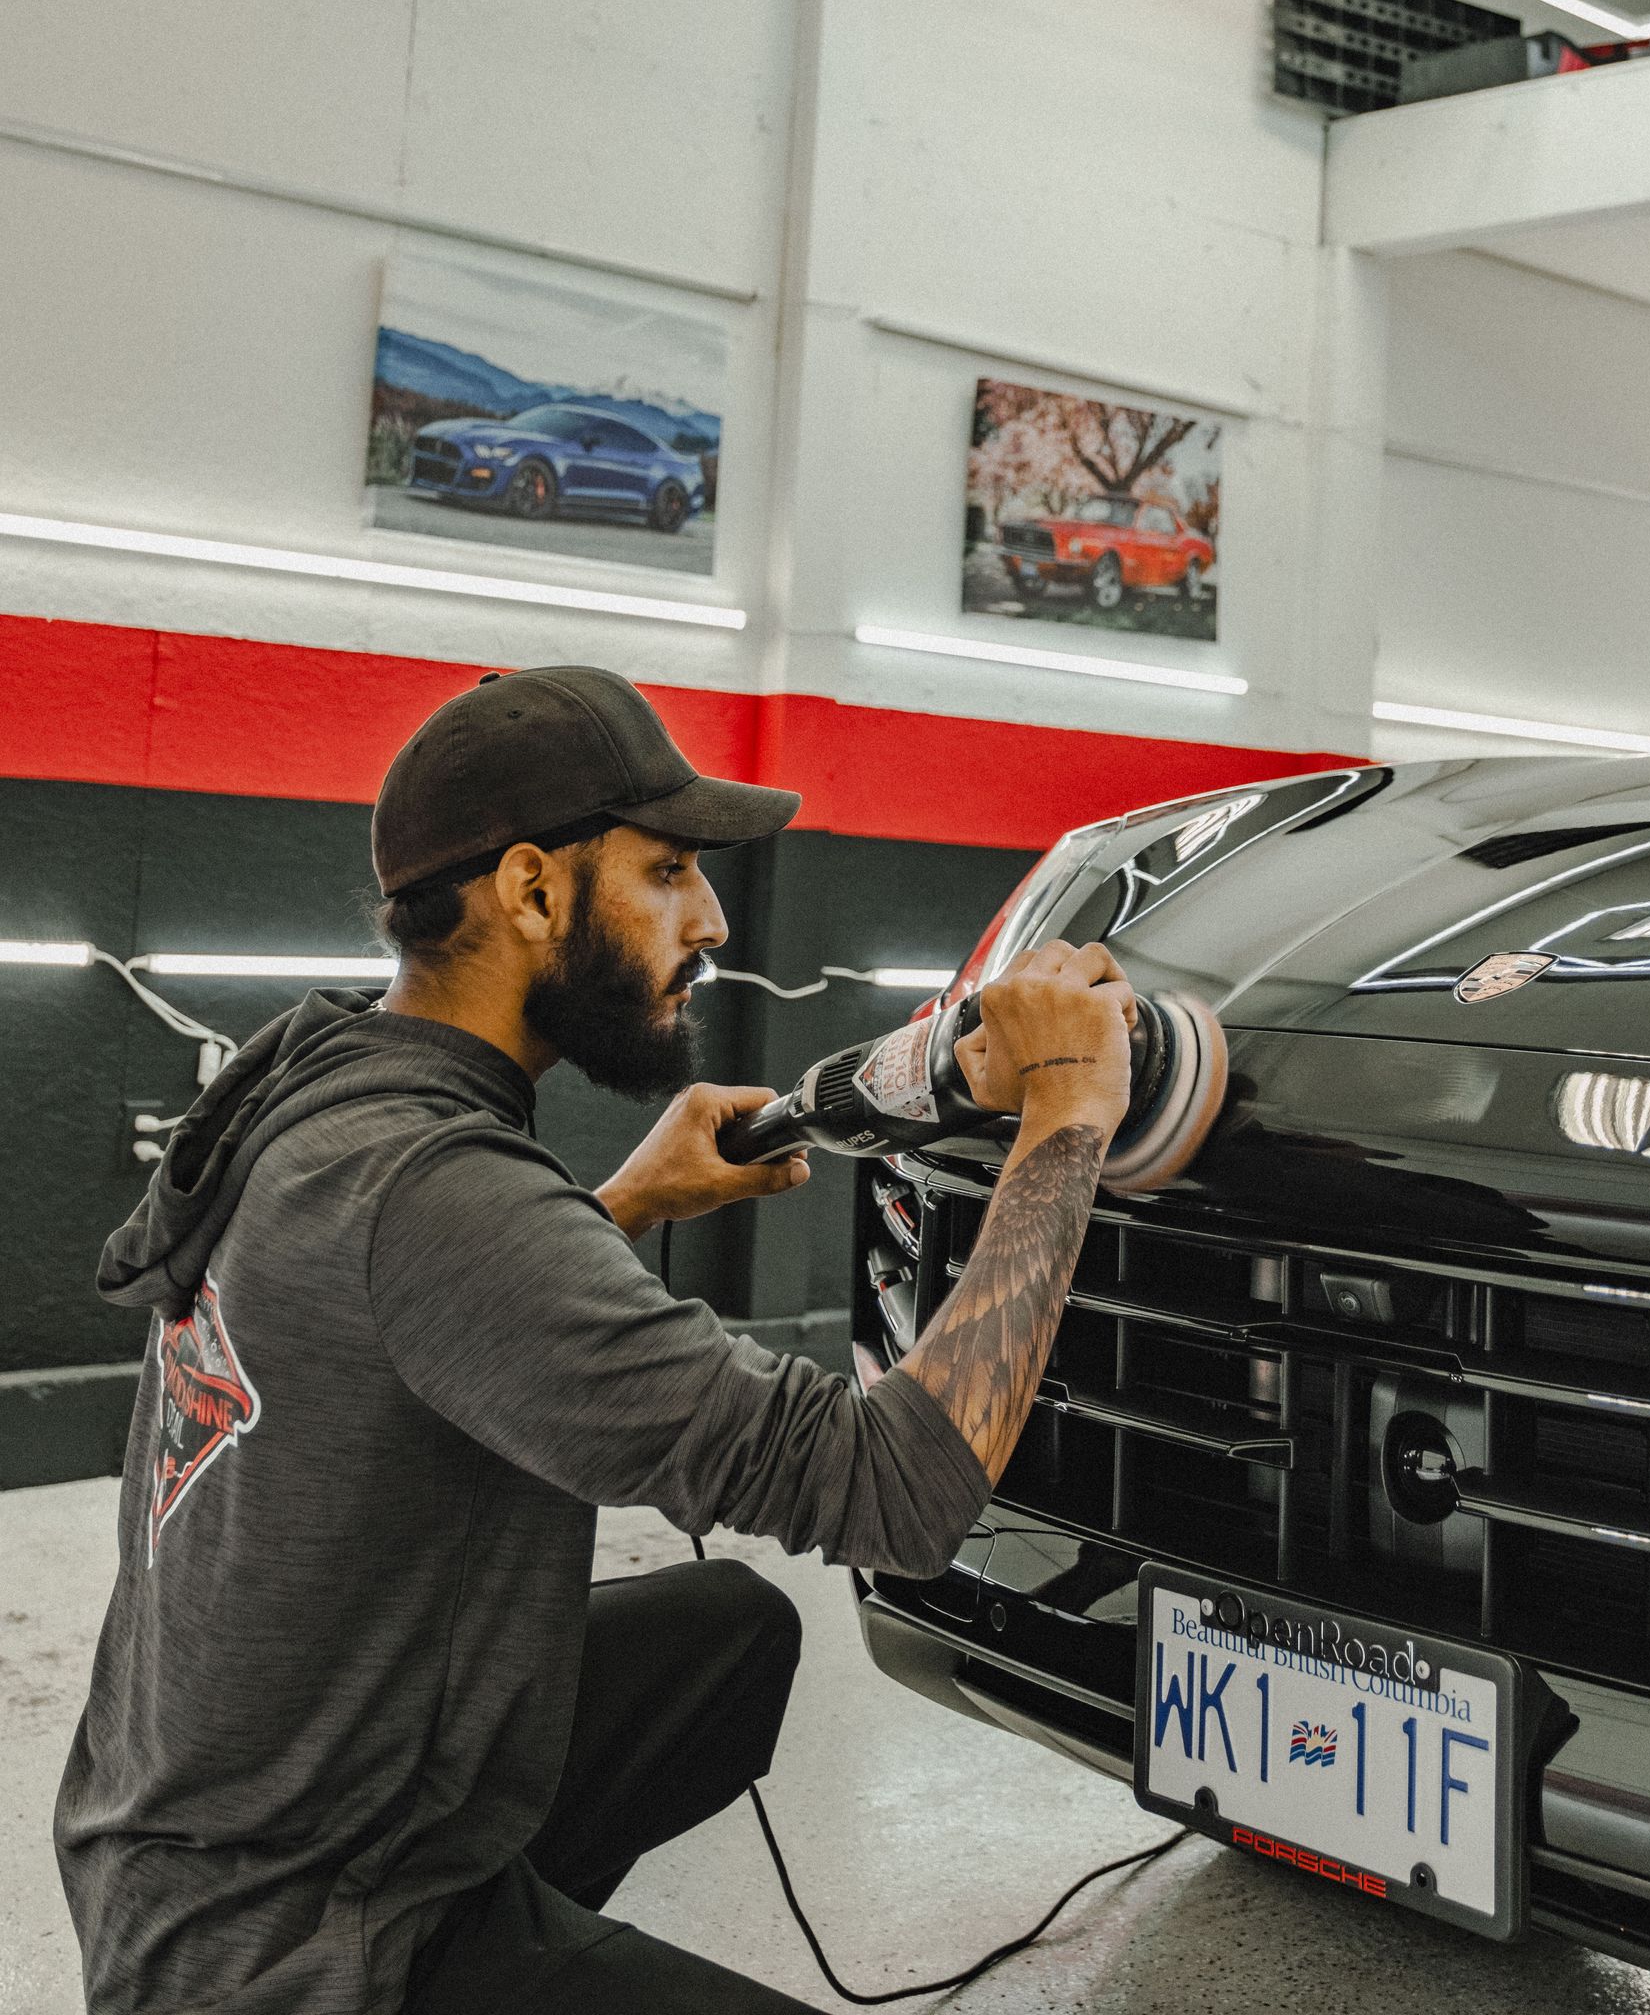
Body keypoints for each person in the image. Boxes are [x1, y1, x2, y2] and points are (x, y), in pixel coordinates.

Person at [55, 665, 1138, 2015]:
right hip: (298, 1953)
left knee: (732, 1635)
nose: (713, 919)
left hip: (178, 1862)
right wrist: (1067, 1117)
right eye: (670, 870)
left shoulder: (318, 1084)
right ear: (528, 892)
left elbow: (414, 1320)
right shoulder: (440, 1194)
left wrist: (623, 1204)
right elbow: (896, 1489)